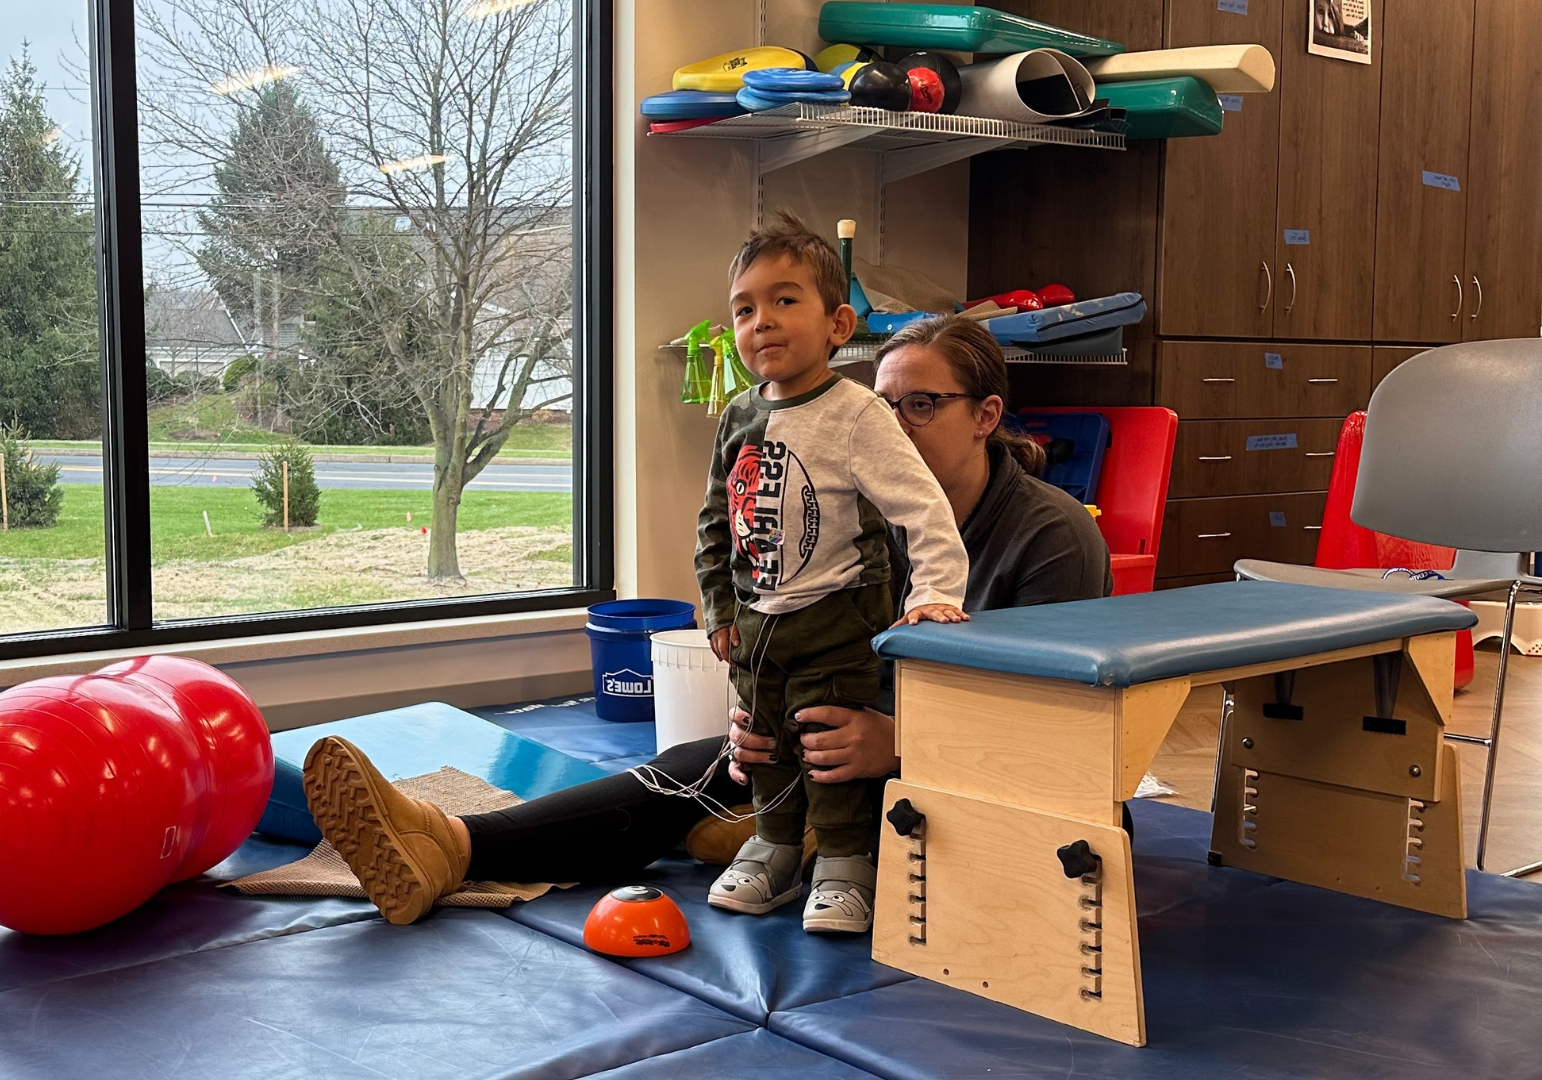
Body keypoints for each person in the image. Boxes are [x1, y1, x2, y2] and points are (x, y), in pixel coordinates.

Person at [298, 312, 1112, 928]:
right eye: (880, 406)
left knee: (760, 791)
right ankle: (453, 844)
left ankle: (786, 836)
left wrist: (896, 743)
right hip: (835, 748)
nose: (888, 428)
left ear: (985, 414)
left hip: (977, 780)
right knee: (709, 758)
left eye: (922, 406)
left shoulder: (1050, 537)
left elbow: (1061, 735)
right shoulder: (855, 518)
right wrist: (763, 709)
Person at [693, 212, 968, 935]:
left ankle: (847, 863)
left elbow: (923, 508)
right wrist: (720, 609)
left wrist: (935, 594)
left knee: (826, 742)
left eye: (786, 301)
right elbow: (716, 522)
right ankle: (776, 848)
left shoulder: (857, 413)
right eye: (745, 309)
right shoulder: (739, 415)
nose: (763, 322)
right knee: (763, 742)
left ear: (838, 322)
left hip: (836, 616)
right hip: (757, 620)